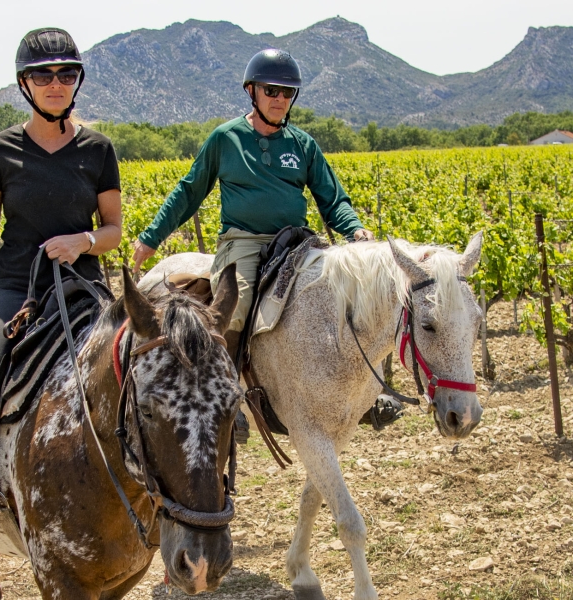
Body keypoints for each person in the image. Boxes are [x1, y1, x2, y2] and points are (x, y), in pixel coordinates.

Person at [0, 27, 122, 561]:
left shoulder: (98, 150)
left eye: (65, 74)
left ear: (76, 82)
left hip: (81, 286)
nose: (55, 83)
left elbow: (113, 231)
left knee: (132, 368)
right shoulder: (0, 151)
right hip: (15, 286)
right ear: (25, 84)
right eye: (44, 74)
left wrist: (81, 240)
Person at [131, 49, 388, 442]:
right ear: (252, 91)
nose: (280, 99)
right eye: (272, 90)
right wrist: (151, 238)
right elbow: (188, 192)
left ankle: (371, 395)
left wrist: (353, 230)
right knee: (236, 308)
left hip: (297, 240)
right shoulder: (226, 138)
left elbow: (332, 198)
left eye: (288, 92)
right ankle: (228, 395)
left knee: (348, 294)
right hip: (244, 242)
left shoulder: (302, 144)